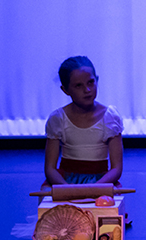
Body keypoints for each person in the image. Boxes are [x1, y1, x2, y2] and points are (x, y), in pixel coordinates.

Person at [45, 56, 123, 185]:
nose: (87, 90)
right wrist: (68, 189)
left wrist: (95, 188)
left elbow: (116, 168)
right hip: (66, 182)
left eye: (90, 82)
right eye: (78, 86)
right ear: (65, 90)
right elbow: (50, 169)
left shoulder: (110, 118)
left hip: (101, 182)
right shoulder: (58, 119)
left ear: (97, 80)